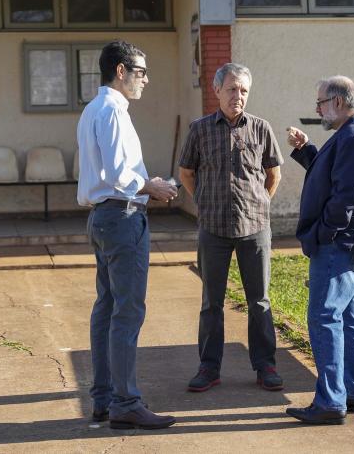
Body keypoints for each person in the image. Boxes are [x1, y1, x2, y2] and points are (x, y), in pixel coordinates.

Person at [77, 40, 178, 430]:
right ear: (120, 71)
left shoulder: (93, 108)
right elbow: (121, 175)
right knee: (127, 312)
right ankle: (125, 402)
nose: (145, 80)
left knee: (107, 307)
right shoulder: (113, 111)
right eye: (140, 72)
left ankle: (105, 398)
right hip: (122, 217)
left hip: (103, 217)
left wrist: (146, 185)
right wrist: (153, 186)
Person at [284, 75, 354, 425]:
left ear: (338, 102)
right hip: (351, 245)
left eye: (321, 103)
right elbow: (335, 176)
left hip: (338, 246)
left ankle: (330, 402)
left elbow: (346, 198)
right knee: (350, 317)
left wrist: (321, 234)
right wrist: (307, 151)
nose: (318, 110)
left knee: (324, 317)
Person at [178, 63, 285, 393]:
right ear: (217, 90)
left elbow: (274, 174)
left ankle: (265, 365)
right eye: (232, 89)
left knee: (259, 301)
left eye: (243, 90)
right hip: (213, 228)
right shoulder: (199, 130)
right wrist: (205, 201)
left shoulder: (261, 128)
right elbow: (186, 173)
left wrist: (260, 203)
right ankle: (209, 368)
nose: (238, 96)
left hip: (255, 228)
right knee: (212, 302)